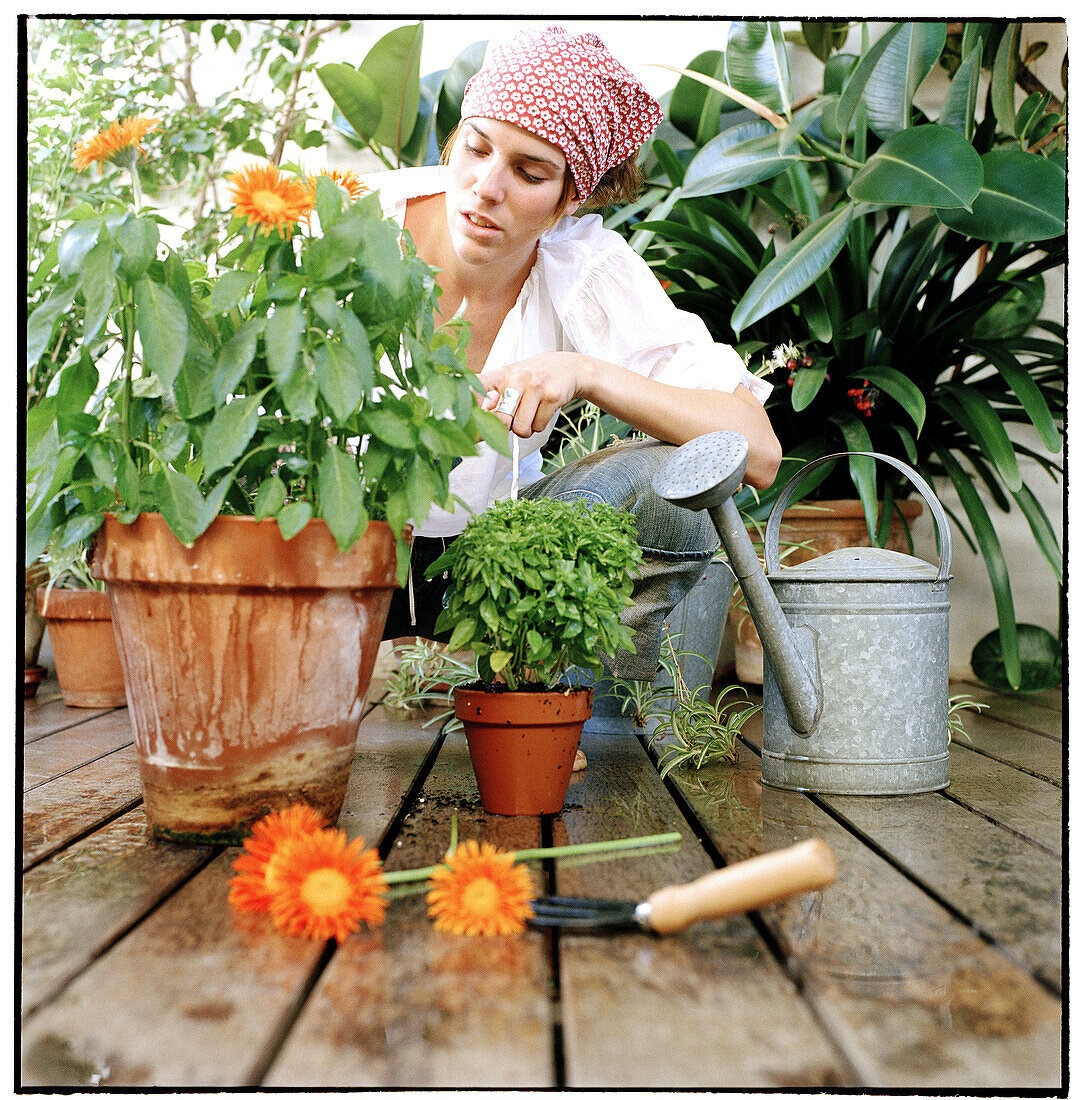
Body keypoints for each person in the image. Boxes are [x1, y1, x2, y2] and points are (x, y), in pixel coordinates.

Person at [370, 24, 781, 688]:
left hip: (493, 569)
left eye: (529, 172)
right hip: (325, 552)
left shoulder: (583, 268)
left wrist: (586, 374)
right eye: (475, 148)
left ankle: (574, 714)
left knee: (669, 488)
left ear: (572, 198)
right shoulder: (356, 226)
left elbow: (754, 451)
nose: (485, 187)